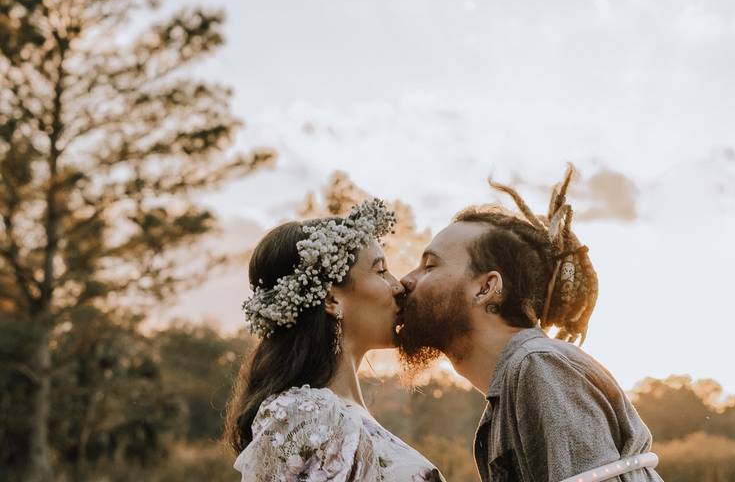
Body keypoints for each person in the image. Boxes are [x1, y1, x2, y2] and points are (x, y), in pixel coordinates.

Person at [397, 167, 664, 482]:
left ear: (485, 288)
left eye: (430, 265)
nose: (406, 280)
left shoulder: (539, 366)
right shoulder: (512, 388)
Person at [224, 199, 444, 481]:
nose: (398, 285)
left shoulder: (341, 414)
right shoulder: (306, 416)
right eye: (380, 271)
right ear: (331, 298)